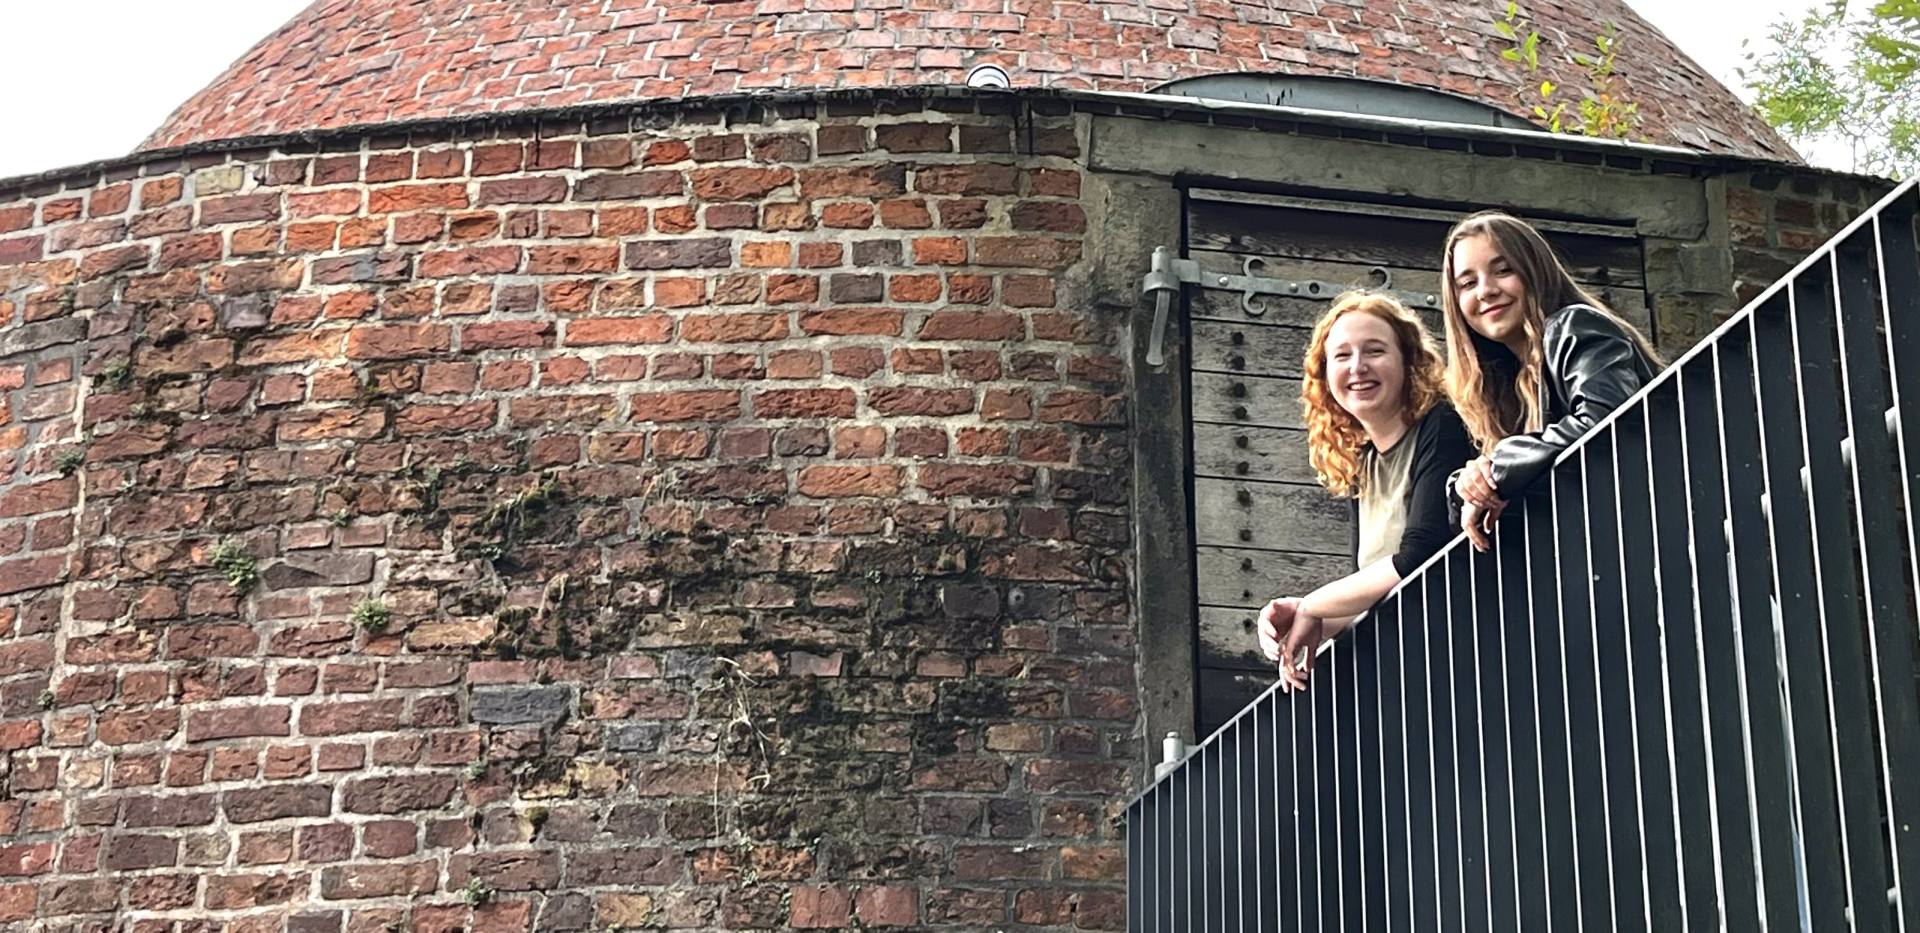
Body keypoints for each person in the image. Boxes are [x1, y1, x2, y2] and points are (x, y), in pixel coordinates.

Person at [1256, 292, 1475, 691]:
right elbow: (1377, 584)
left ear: (1409, 362)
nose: (1358, 367)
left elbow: (1420, 556)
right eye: (1341, 356)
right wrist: (1307, 622)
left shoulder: (1442, 425)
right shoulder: (1365, 463)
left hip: (1468, 655)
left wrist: (1315, 606)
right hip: (1413, 666)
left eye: (1374, 351)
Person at [1440, 211, 1660, 551]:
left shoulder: (1576, 326)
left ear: (1535, 272)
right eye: (1468, 283)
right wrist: (1467, 485)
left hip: (1665, 554)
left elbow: (1605, 423)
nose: (1485, 291)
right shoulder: (1503, 386)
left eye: (1503, 270)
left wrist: (1498, 467)